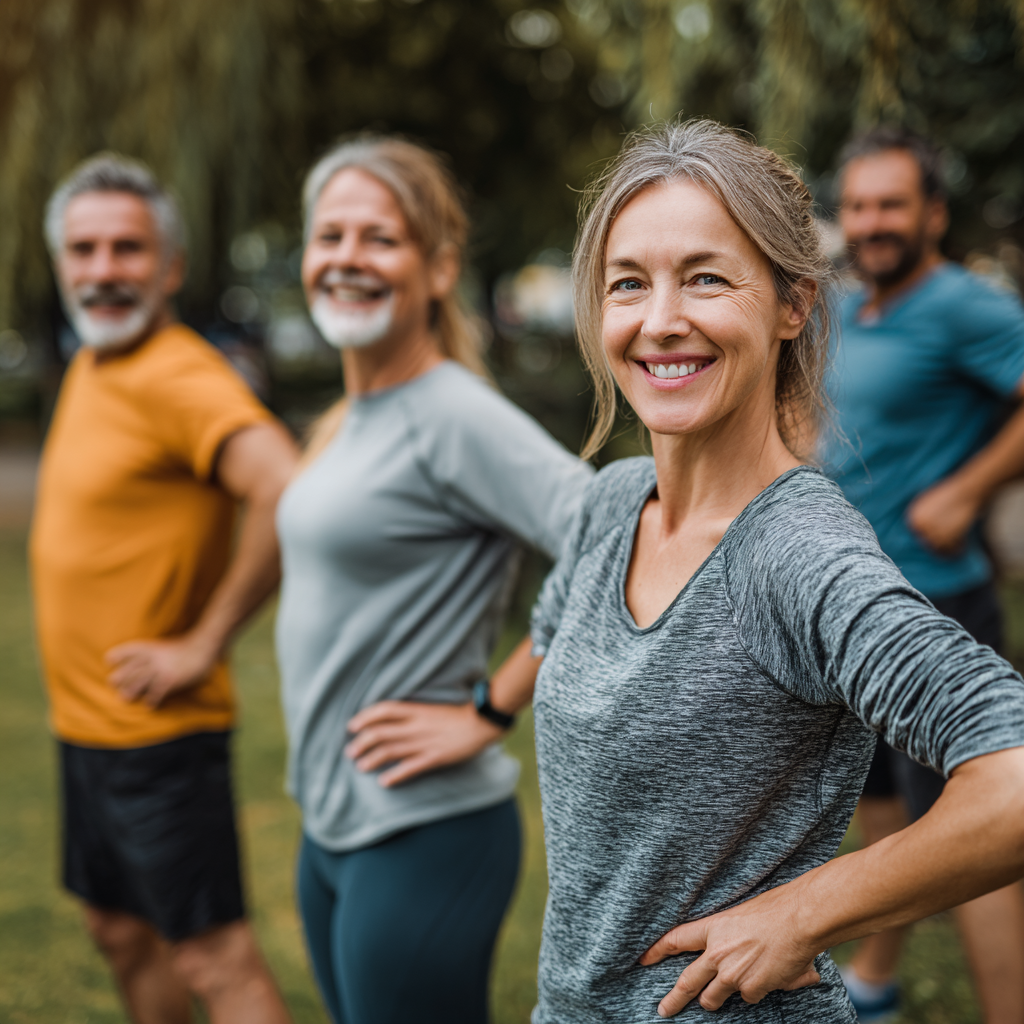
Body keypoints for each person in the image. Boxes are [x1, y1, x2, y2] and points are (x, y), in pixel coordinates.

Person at [400, 117, 1024, 1022]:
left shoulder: (794, 554)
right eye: (628, 284)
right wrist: (483, 714)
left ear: (792, 304)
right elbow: (555, 633)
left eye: (704, 277)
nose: (660, 321)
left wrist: (802, 913)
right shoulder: (615, 501)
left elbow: (1011, 777)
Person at [274, 135, 593, 1024]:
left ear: (438, 267)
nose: (347, 257)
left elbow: (614, 541)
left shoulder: (454, 415)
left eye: (379, 238)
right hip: (333, 822)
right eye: (329, 235)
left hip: (422, 832)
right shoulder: (349, 415)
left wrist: (490, 709)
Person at [30, 154, 298, 1024]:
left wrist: (203, 642)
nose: (103, 271)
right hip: (89, 730)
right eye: (85, 250)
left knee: (215, 959)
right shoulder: (93, 362)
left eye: (127, 249)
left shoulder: (180, 374)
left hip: (159, 739)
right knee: (117, 926)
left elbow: (285, 488)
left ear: (172, 267)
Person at [825, 125, 1024, 1023]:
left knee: (974, 842)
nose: (872, 222)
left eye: (891, 204)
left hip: (935, 606)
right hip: (847, 606)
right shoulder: (845, 308)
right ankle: (876, 976)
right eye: (858, 205)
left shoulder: (963, 306)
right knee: (875, 805)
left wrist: (968, 488)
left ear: (932, 213)